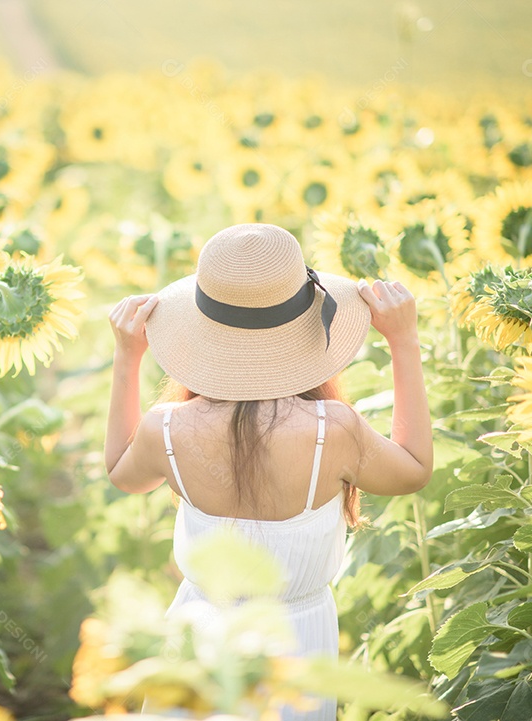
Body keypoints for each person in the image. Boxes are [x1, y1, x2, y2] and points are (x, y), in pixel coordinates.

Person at [103, 223, 433, 720]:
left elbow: (122, 473)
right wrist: (404, 341)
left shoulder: (166, 429)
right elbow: (414, 469)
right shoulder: (331, 430)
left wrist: (127, 358)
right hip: (296, 648)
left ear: (200, 329)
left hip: (195, 645)